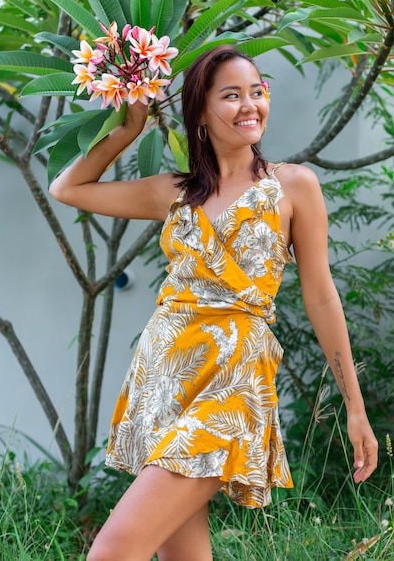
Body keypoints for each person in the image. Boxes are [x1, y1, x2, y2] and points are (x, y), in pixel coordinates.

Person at [49, 45, 378, 561]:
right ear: (199, 114)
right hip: (165, 376)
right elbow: (67, 188)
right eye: (231, 95)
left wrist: (353, 408)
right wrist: (130, 127)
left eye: (257, 91)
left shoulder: (293, 186)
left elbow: (320, 295)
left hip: (234, 377)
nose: (251, 105)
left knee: (110, 552)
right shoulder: (173, 193)